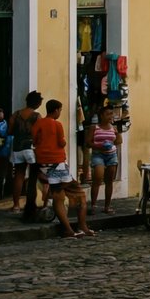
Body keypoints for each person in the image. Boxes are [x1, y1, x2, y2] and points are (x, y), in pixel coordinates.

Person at [33, 100, 92, 238]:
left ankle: (68, 230)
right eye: (60, 110)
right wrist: (63, 142)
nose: (60, 113)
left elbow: (35, 141)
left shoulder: (38, 124)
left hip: (43, 164)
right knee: (80, 195)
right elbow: (61, 142)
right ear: (55, 111)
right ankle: (82, 226)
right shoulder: (57, 124)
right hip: (57, 164)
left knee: (58, 198)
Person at [85, 105, 121, 214]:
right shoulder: (94, 128)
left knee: (109, 181)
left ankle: (107, 206)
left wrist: (117, 131)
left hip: (111, 155)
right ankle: (93, 205)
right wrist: (99, 146)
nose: (110, 116)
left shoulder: (113, 128)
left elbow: (119, 141)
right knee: (98, 178)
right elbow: (88, 142)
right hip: (98, 155)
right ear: (101, 116)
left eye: (111, 114)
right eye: (108, 114)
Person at [8, 90, 40, 214]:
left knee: (19, 176)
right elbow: (38, 133)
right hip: (30, 148)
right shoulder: (37, 116)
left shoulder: (15, 114)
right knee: (33, 178)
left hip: (17, 148)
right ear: (37, 103)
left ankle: (16, 205)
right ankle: (31, 205)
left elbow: (9, 131)